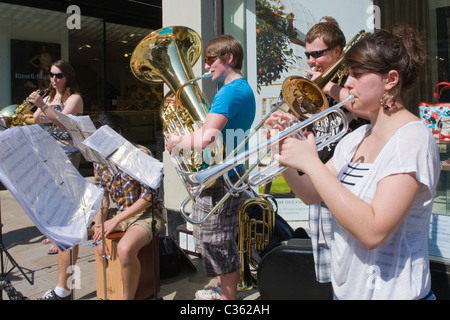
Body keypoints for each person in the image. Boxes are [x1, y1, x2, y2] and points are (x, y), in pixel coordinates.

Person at [266, 25, 440, 300]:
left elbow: (373, 230)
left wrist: (310, 163)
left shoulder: (412, 138)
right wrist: (284, 153)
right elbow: (311, 194)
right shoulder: (357, 136)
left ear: (390, 80)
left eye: (357, 74)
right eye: (349, 74)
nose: (347, 83)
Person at [166, 35, 256, 300]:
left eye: (210, 60)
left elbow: (207, 138)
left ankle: (227, 297)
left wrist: (177, 140)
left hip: (222, 178)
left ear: (228, 58)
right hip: (222, 173)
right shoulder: (238, 89)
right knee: (212, 237)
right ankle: (221, 288)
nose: (206, 67)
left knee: (217, 241)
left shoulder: (228, 92)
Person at [92, 112, 165, 300]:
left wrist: (115, 219)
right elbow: (102, 198)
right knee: (77, 236)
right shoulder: (100, 161)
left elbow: (149, 197)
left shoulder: (141, 153)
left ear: (120, 132)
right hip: (123, 214)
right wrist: (99, 231)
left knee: (125, 249)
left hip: (148, 213)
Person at [29, 60, 83, 259]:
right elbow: (36, 119)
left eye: (58, 75)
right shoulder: (50, 96)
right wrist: (40, 104)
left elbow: (61, 122)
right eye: (51, 75)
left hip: (67, 150)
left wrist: (43, 106)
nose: (53, 79)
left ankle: (62, 236)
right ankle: (54, 231)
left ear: (67, 76)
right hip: (47, 150)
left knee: (64, 195)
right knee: (50, 194)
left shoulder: (75, 98)